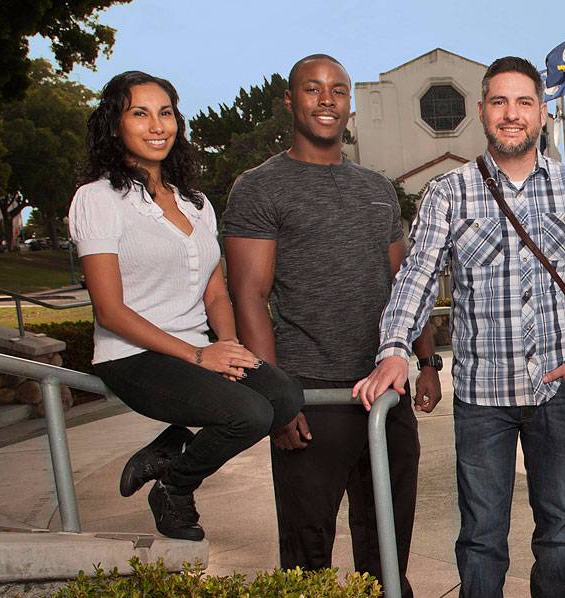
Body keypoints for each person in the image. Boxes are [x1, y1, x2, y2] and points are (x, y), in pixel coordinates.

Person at [353, 56, 565, 597]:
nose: (511, 114)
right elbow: (417, 279)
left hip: (556, 393)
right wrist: (394, 351)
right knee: (481, 534)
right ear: (481, 111)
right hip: (482, 400)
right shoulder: (449, 194)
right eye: (499, 102)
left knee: (559, 530)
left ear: (542, 114)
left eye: (524, 102)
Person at [222, 54, 440, 595]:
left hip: (383, 392)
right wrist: (276, 398)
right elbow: (249, 296)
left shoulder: (377, 188)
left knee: (388, 547)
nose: (326, 100)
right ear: (290, 102)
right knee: (306, 557)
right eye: (313, 89)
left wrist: (428, 361)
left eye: (338, 90)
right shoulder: (260, 187)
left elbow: (405, 284)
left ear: (350, 104)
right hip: (310, 396)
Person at [69, 71, 304, 542]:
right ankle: (175, 488)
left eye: (166, 113)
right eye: (140, 114)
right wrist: (199, 356)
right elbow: (110, 311)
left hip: (197, 348)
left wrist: (230, 347)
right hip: (131, 355)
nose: (157, 125)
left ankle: (170, 447)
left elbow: (215, 292)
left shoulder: (195, 204)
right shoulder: (97, 200)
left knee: (283, 397)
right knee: (249, 415)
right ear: (116, 125)